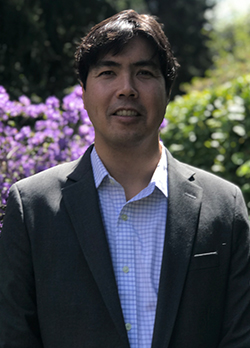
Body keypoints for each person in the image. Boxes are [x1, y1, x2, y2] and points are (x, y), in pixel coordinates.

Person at [0, 9, 249, 348]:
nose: (126, 89)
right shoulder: (32, 207)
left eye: (144, 72)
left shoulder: (224, 205)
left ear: (167, 90)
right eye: (108, 72)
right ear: (84, 93)